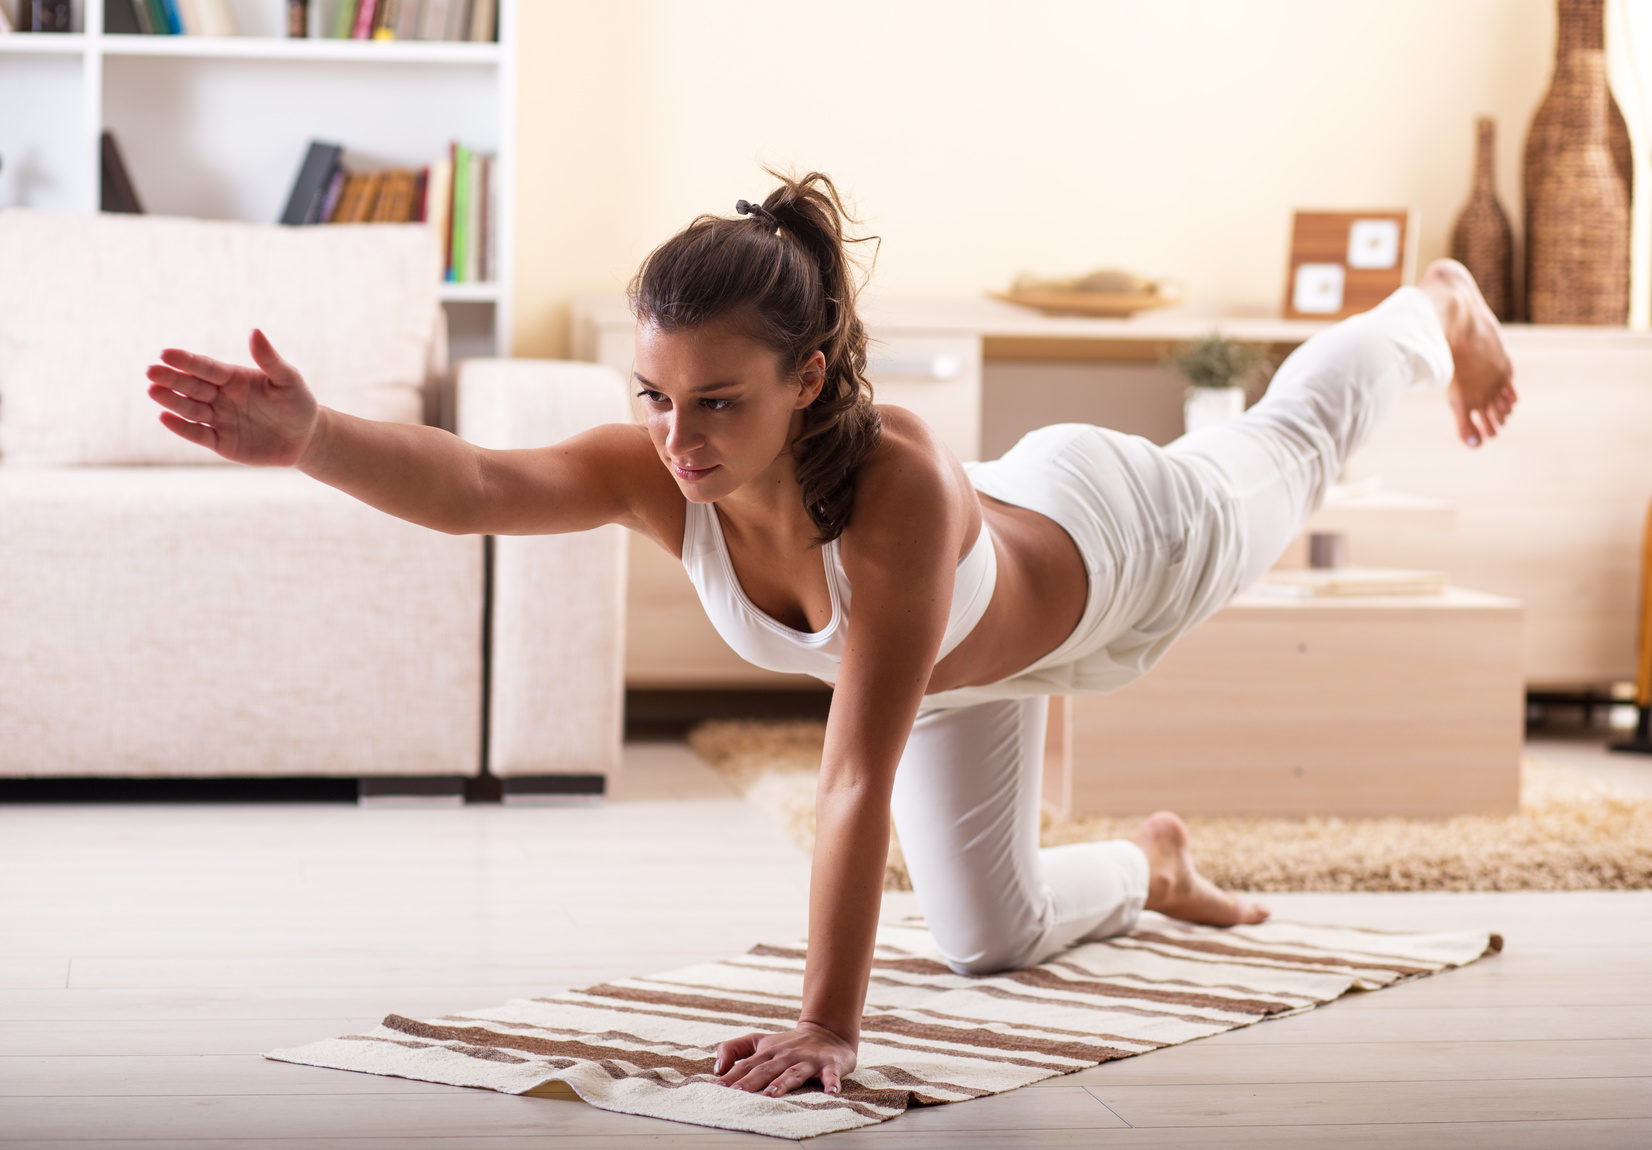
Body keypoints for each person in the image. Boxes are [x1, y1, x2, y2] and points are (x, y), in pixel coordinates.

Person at [145, 171, 1517, 1101]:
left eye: (721, 403)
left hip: (1123, 543)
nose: (679, 439)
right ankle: (1151, 862)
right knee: (988, 937)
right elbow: (481, 487)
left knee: (1285, 444)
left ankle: (1432, 305)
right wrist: (315, 436)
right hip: (961, 663)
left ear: (808, 379)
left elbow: (851, 772)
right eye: (658, 397)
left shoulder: (895, 489)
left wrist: (831, 1024)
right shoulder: (660, 463)